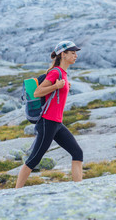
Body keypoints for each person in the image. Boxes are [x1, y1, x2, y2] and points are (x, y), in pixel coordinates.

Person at [15, 41, 83, 188]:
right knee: (34, 159)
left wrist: (62, 87)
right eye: (72, 53)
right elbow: (37, 92)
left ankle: (80, 189)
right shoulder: (55, 72)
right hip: (47, 122)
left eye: (75, 53)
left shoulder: (62, 74)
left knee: (77, 153)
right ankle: (15, 192)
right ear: (63, 55)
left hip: (56, 123)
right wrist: (56, 86)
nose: (76, 55)